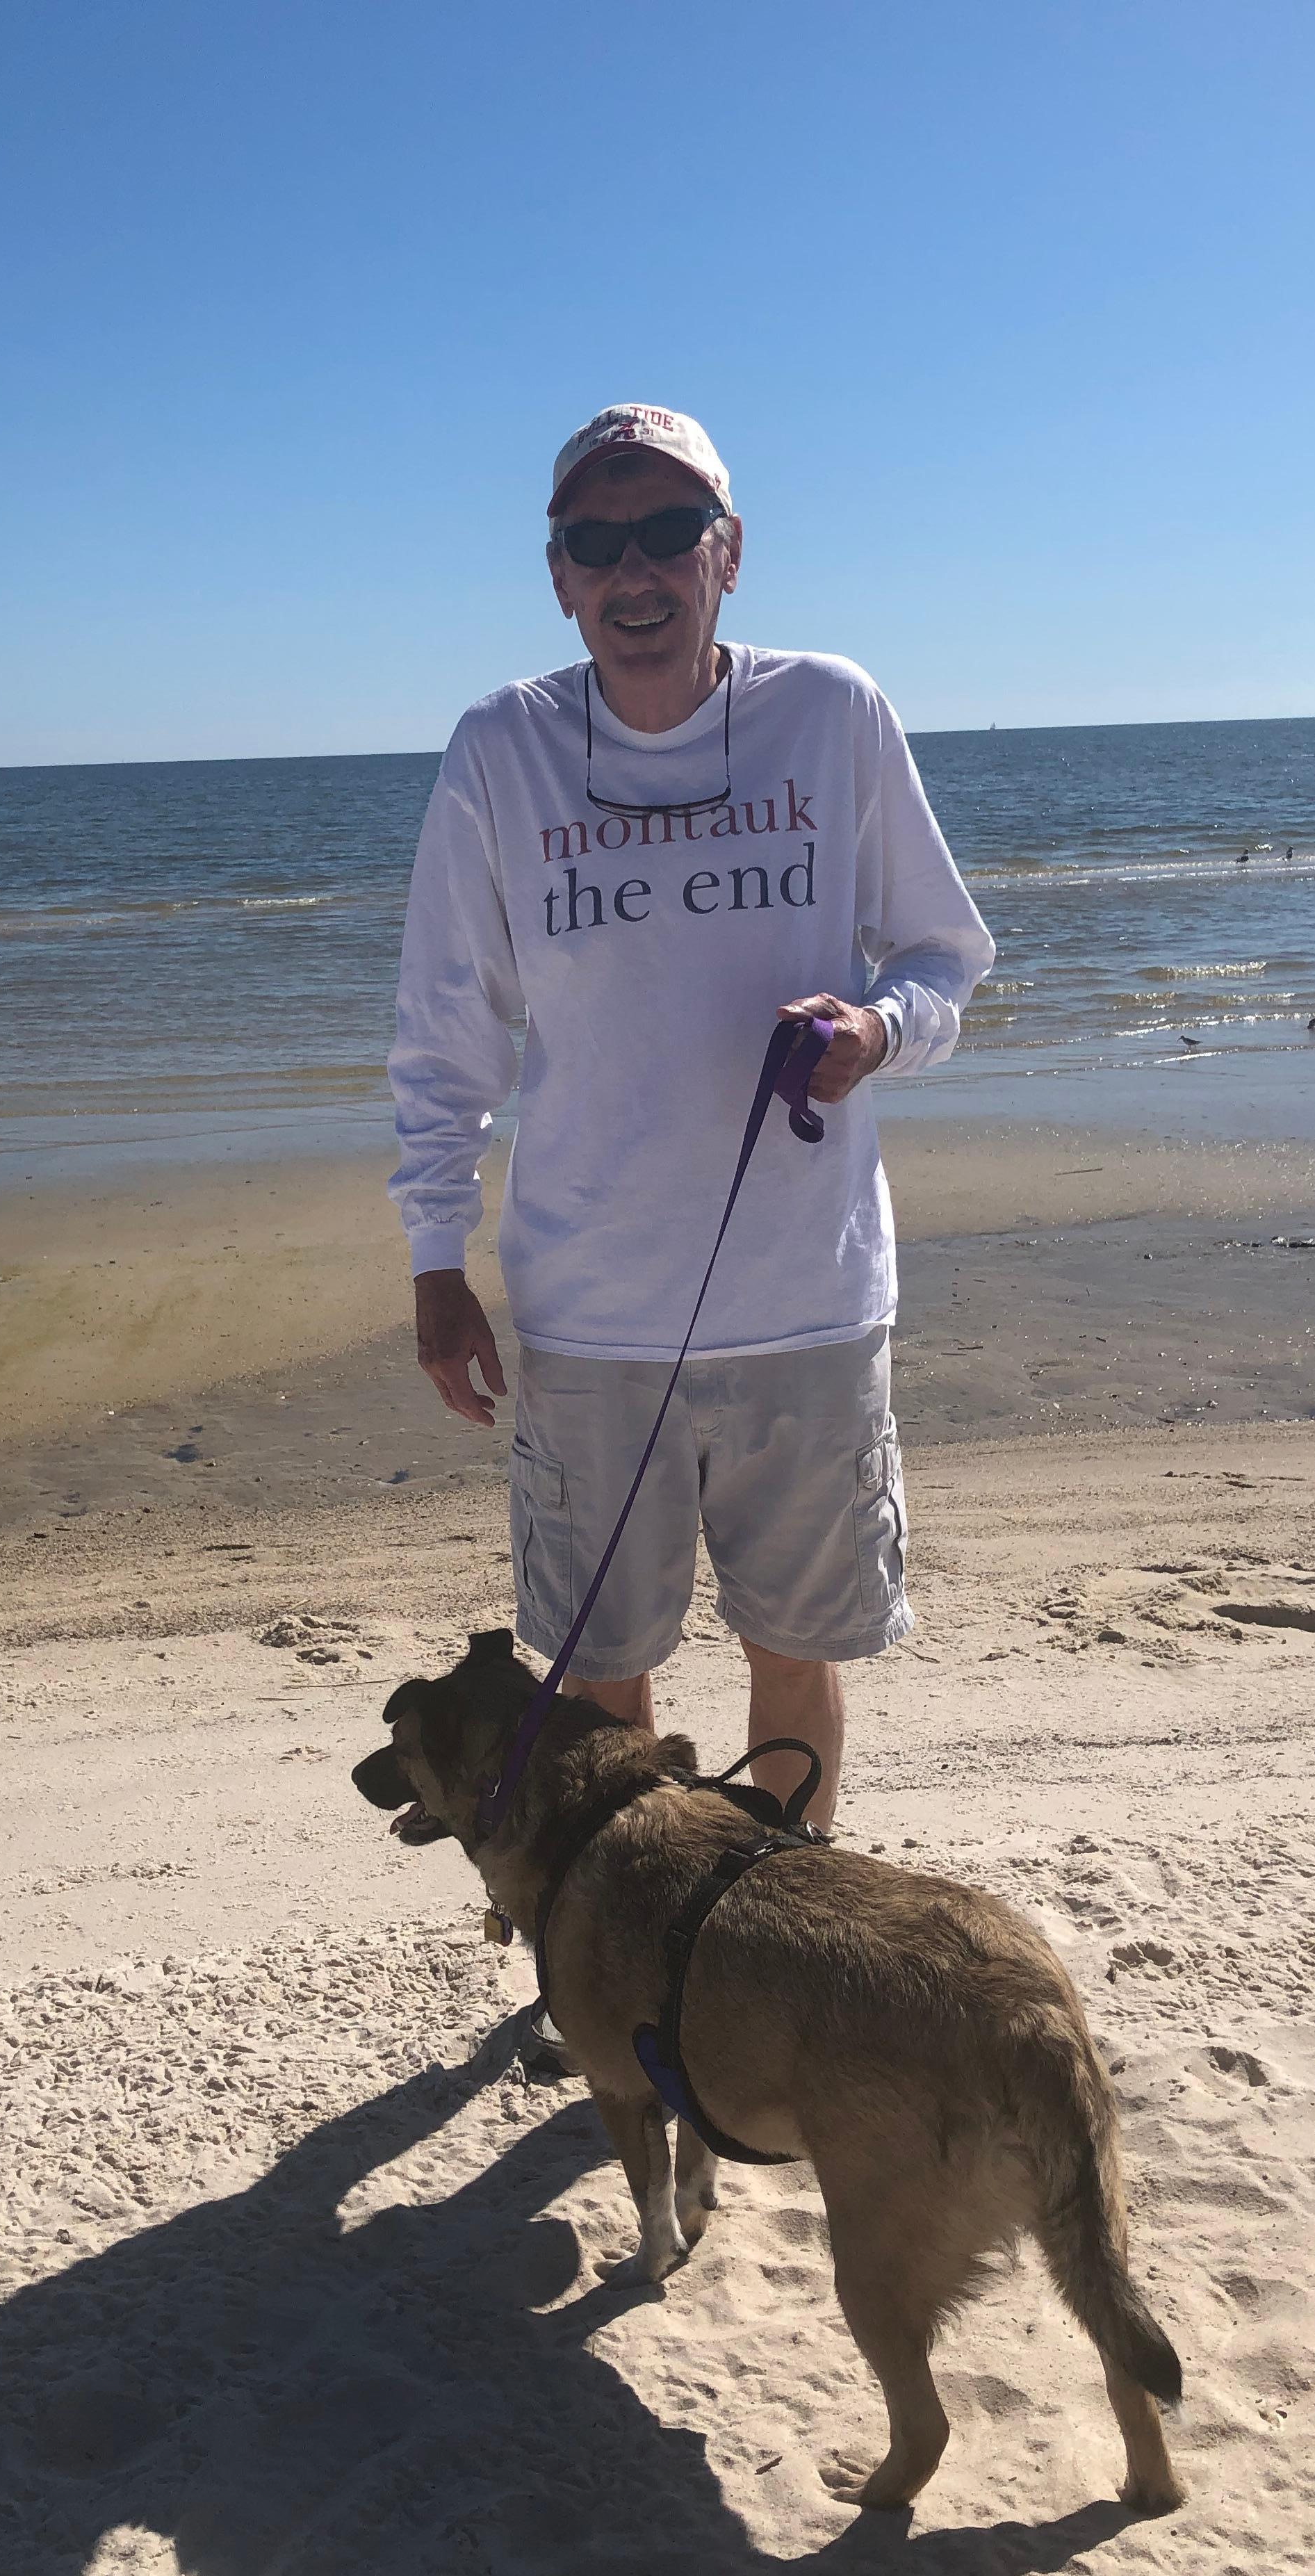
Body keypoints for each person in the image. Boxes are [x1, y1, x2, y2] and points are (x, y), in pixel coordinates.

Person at [388, 402, 993, 1849]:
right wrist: (432, 1263)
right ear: (559, 576)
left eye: (668, 531)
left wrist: (876, 1033)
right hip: (589, 1316)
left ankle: (773, 1940)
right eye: (597, 543)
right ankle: (636, 1949)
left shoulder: (831, 712)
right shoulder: (501, 750)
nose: (634, 570)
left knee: (796, 1662)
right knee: (603, 1685)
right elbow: (446, 1031)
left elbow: (940, 957)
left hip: (809, 1304)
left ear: (729, 553)